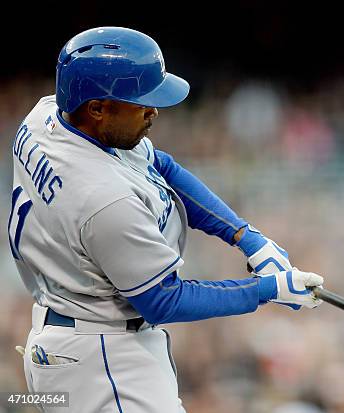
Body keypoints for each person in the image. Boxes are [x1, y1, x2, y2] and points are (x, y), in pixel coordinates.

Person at [10, 26, 324, 412]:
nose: (153, 110)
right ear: (97, 108)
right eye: (139, 101)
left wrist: (246, 237)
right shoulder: (104, 199)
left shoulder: (46, 116)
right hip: (103, 358)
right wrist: (265, 291)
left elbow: (162, 167)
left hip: (71, 337)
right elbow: (163, 299)